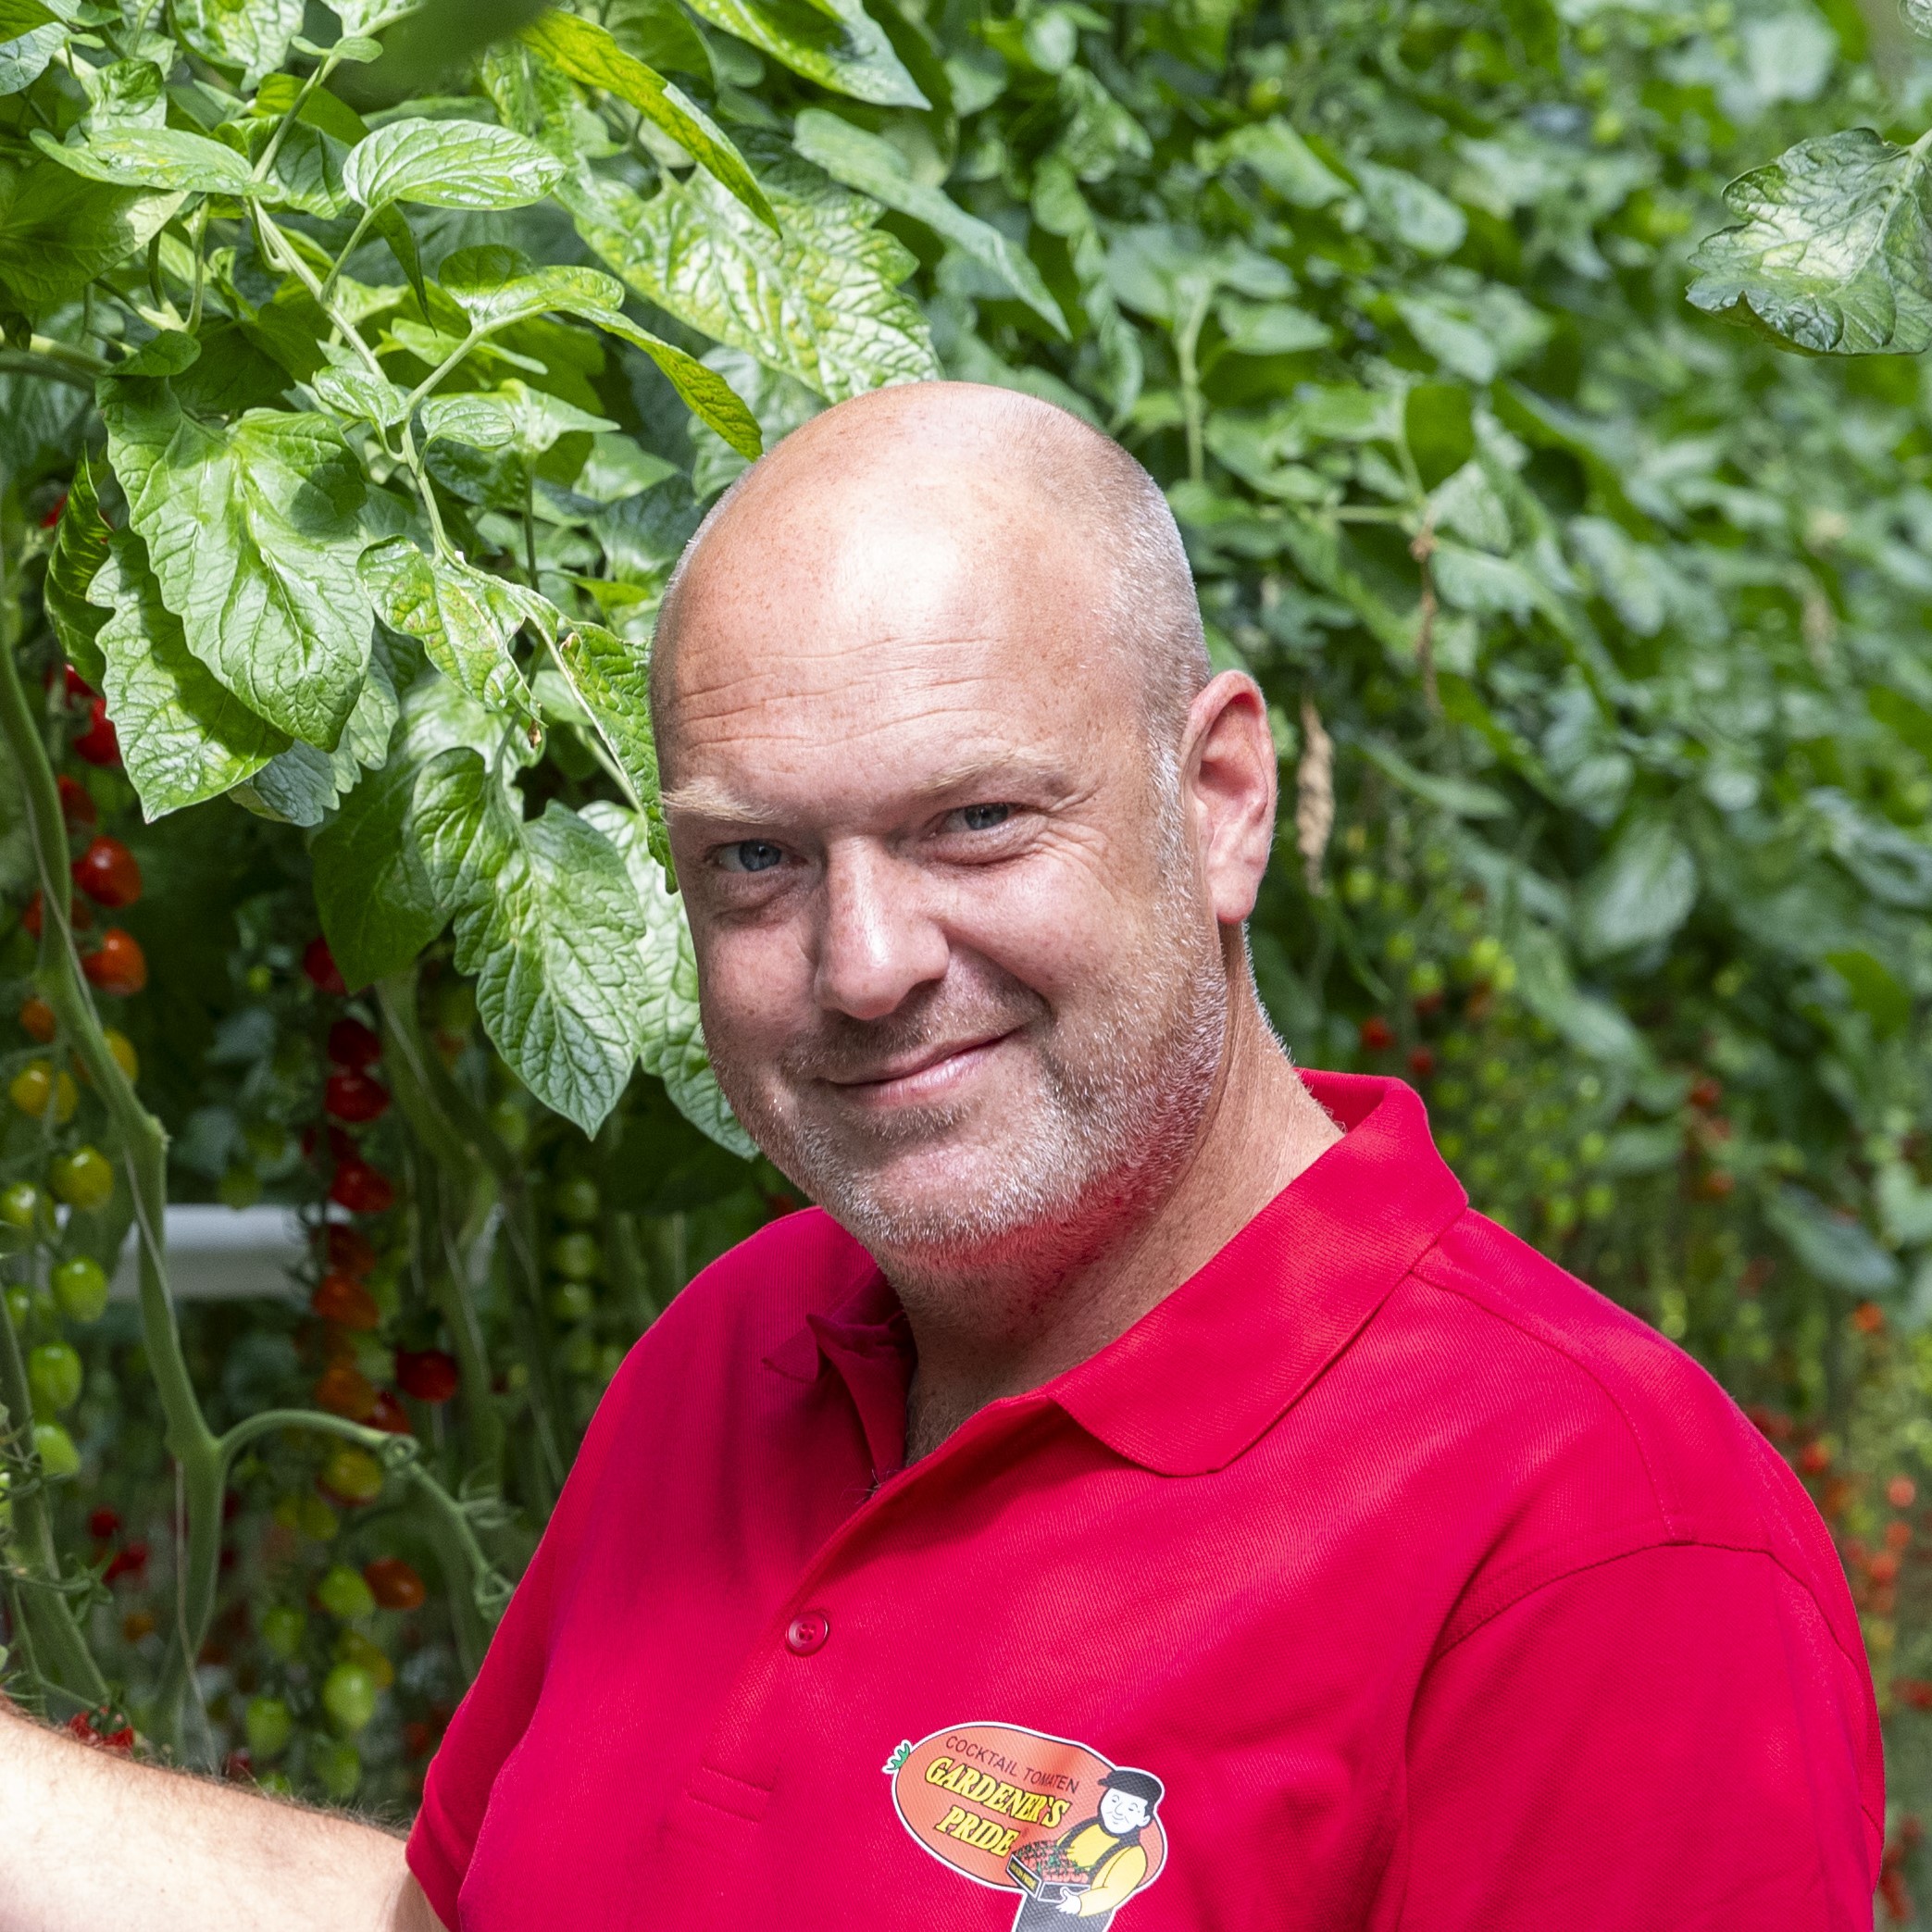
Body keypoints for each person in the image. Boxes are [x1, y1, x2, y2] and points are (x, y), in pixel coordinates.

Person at [0, 381, 1881, 1931]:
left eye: (976, 822)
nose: (867, 962)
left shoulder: (1600, 1545)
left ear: (1222, 801)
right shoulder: (745, 1350)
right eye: (758, 859)